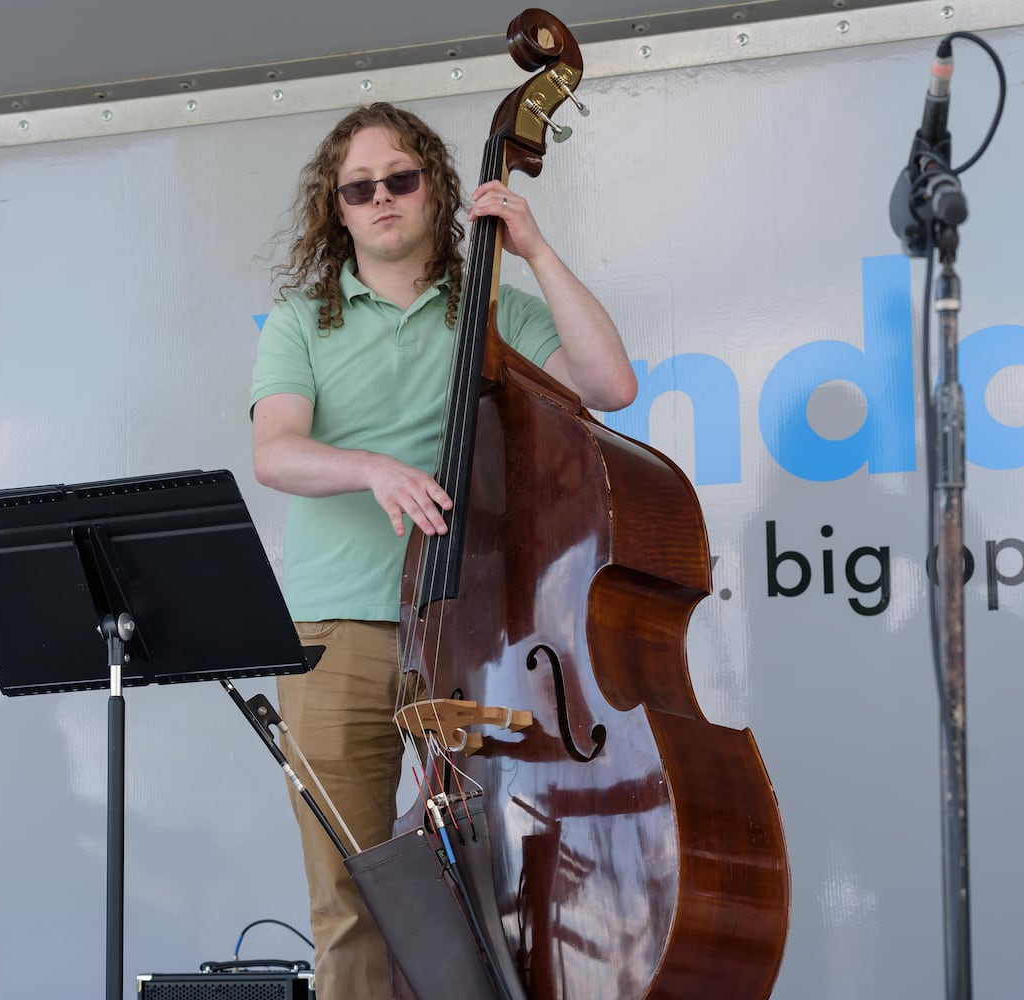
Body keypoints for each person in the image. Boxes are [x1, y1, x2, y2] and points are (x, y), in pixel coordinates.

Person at [248, 101, 636, 1000]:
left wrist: (533, 246)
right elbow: (276, 452)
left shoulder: (489, 311)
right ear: (335, 208)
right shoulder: (302, 320)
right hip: (334, 634)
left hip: (473, 633)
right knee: (351, 894)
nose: (380, 197)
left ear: (435, 188)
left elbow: (610, 384)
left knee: (495, 882)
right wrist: (372, 469)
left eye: (400, 179)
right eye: (359, 187)